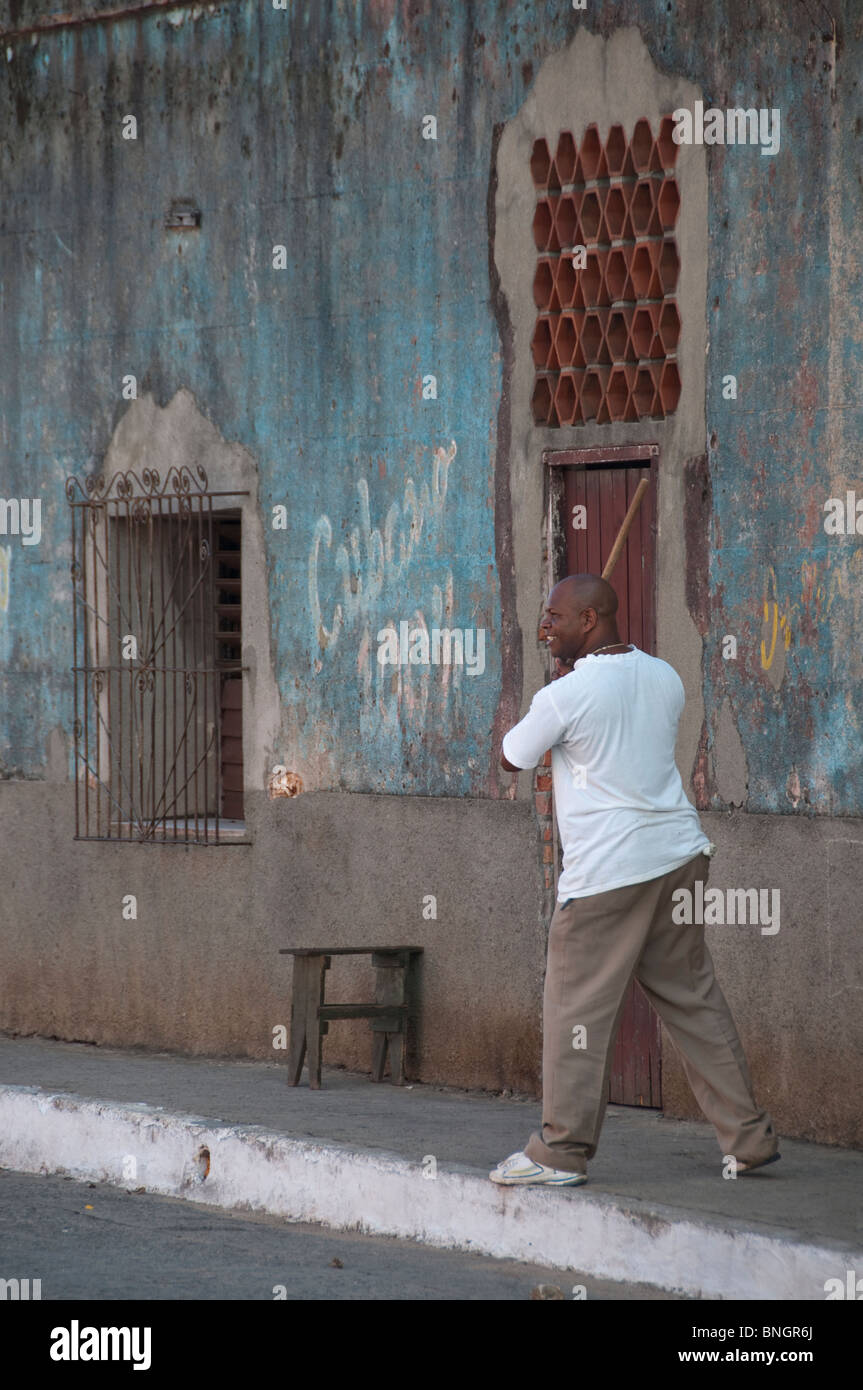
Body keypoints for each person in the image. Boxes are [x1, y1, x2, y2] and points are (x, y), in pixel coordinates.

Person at [490, 573, 778, 1187]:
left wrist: (552, 700)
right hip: (678, 857)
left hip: (607, 876)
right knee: (694, 1000)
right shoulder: (664, 677)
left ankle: (560, 1153)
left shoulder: (566, 694)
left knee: (575, 1009)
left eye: (554, 618)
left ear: (589, 621)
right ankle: (748, 1139)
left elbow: (512, 755)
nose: (545, 627)